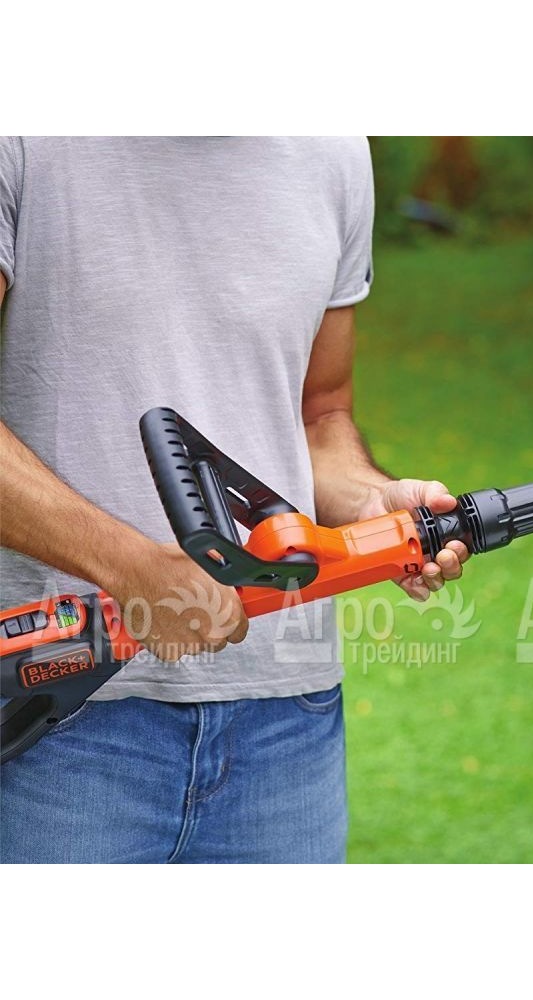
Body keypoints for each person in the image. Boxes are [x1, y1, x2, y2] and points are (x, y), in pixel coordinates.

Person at [0, 136, 469, 863]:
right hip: (64, 712)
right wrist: (127, 565)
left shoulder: (333, 150)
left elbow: (320, 413)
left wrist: (371, 500)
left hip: (287, 725)